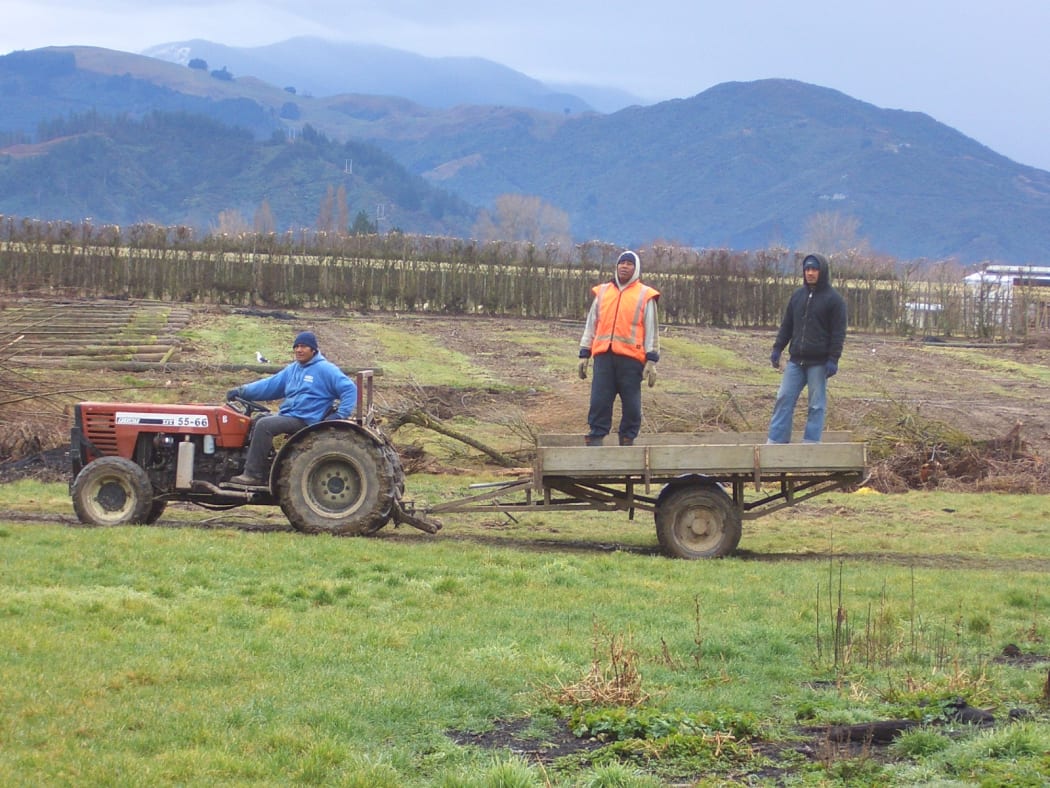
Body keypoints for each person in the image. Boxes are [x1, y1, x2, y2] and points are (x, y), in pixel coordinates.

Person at [226, 331, 358, 486]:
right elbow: (269, 385)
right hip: (291, 414)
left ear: (313, 350)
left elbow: (350, 389)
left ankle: (253, 474)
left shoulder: (325, 369)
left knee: (264, 425)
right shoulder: (293, 369)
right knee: (258, 420)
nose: (299, 350)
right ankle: (258, 464)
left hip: (306, 419)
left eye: (303, 347)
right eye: (296, 347)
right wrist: (242, 391)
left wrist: (340, 414)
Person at [577, 249, 660, 446]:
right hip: (604, 357)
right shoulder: (603, 292)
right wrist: (584, 353)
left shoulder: (644, 295)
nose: (624, 266)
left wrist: (652, 359)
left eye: (629, 264)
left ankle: (627, 439)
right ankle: (596, 437)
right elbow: (592, 323)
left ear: (636, 268)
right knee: (599, 401)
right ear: (616, 266)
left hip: (631, 360)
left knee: (631, 405)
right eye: (621, 263)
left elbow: (652, 329)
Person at [767, 253, 847, 444]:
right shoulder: (797, 296)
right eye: (807, 269)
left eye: (814, 269)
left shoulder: (834, 300)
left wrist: (833, 359)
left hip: (818, 363)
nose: (810, 273)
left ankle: (811, 444)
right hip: (796, 361)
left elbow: (838, 333)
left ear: (822, 271)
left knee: (816, 405)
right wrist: (778, 348)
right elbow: (787, 325)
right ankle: (776, 442)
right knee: (784, 398)